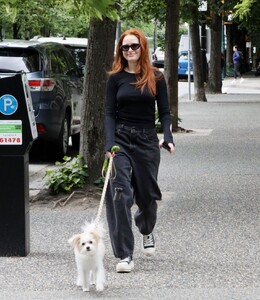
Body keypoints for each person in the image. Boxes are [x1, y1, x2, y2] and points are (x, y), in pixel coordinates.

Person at [104, 28, 175, 273]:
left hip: (146, 141)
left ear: (142, 48)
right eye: (125, 47)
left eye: (134, 46)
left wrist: (167, 136)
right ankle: (124, 255)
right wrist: (109, 144)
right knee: (121, 194)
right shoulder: (115, 78)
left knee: (147, 196)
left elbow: (165, 112)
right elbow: (109, 114)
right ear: (120, 51)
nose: (130, 50)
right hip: (121, 140)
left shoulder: (156, 77)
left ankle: (146, 229)